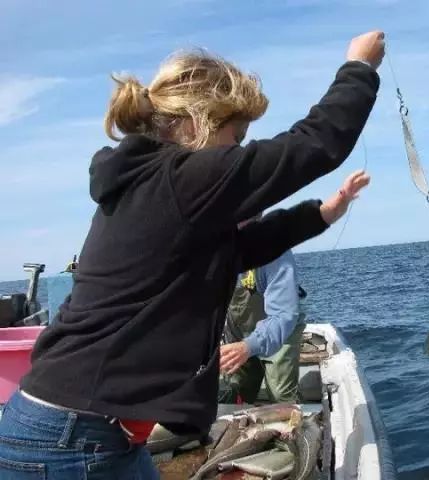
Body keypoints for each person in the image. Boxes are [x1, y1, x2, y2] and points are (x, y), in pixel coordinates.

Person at [0, 30, 384, 479]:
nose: (238, 154)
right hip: (73, 440)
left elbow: (236, 250)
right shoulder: (178, 179)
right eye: (236, 138)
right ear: (199, 123)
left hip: (87, 432)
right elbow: (311, 146)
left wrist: (321, 214)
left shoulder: (152, 188)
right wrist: (359, 69)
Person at [219, 171, 366, 404]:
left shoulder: (275, 253)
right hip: (238, 333)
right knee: (233, 391)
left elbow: (283, 315)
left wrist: (249, 346)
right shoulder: (216, 245)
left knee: (280, 393)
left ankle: (297, 423)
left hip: (279, 332)